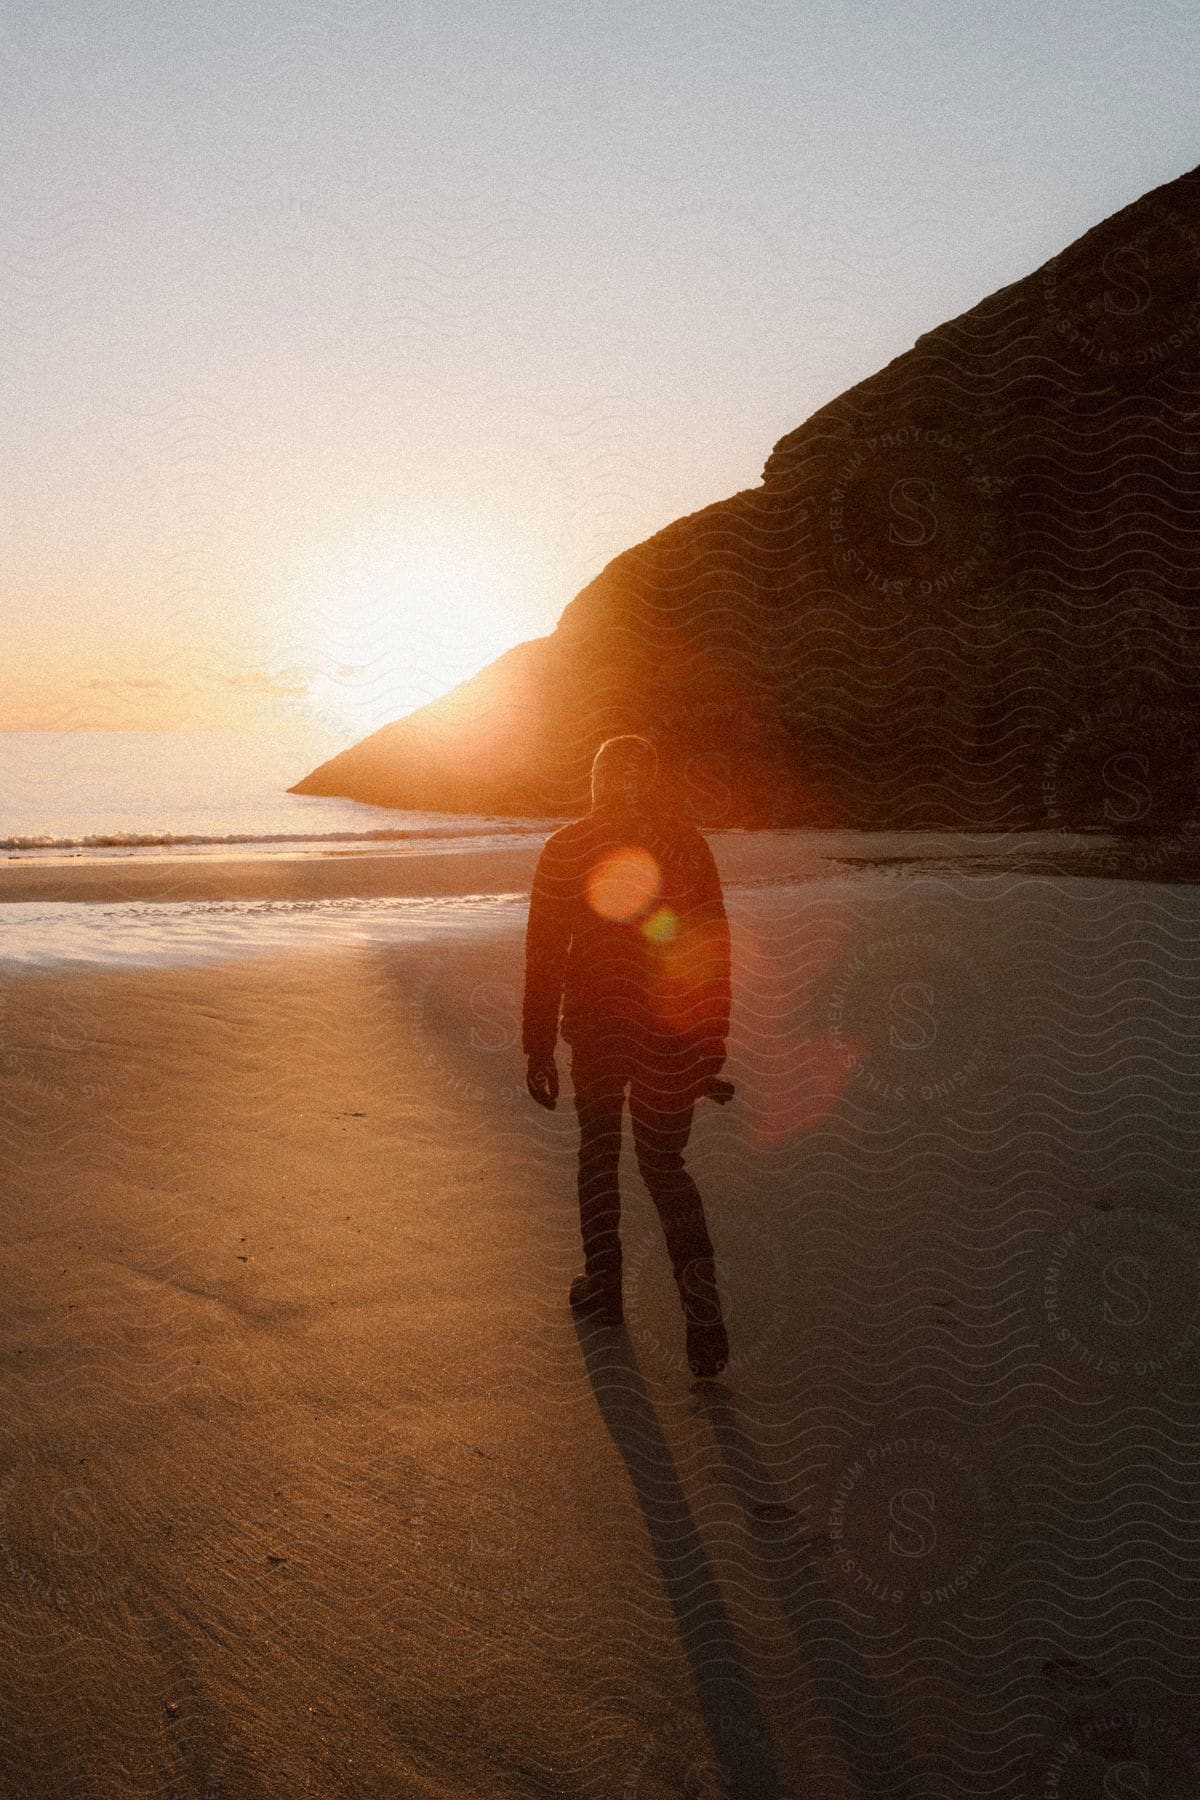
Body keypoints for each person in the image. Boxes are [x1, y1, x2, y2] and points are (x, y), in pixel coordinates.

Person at [522, 734, 734, 1378]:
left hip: (597, 1032)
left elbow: (544, 957)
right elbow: (710, 950)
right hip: (670, 1035)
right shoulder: (687, 845)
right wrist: (709, 1047)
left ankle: (605, 1289)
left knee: (598, 1155)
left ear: (596, 783)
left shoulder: (564, 847)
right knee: (666, 1167)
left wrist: (537, 1047)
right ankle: (703, 1320)